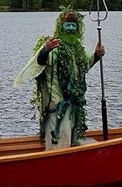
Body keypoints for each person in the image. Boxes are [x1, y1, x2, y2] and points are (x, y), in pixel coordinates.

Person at [13, 8, 104, 150]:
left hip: (75, 105)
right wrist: (45, 50)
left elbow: (83, 68)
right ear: (60, 27)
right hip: (57, 105)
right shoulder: (53, 47)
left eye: (73, 25)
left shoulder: (77, 50)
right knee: (59, 141)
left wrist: (97, 56)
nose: (70, 29)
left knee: (74, 139)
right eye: (67, 25)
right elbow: (39, 65)